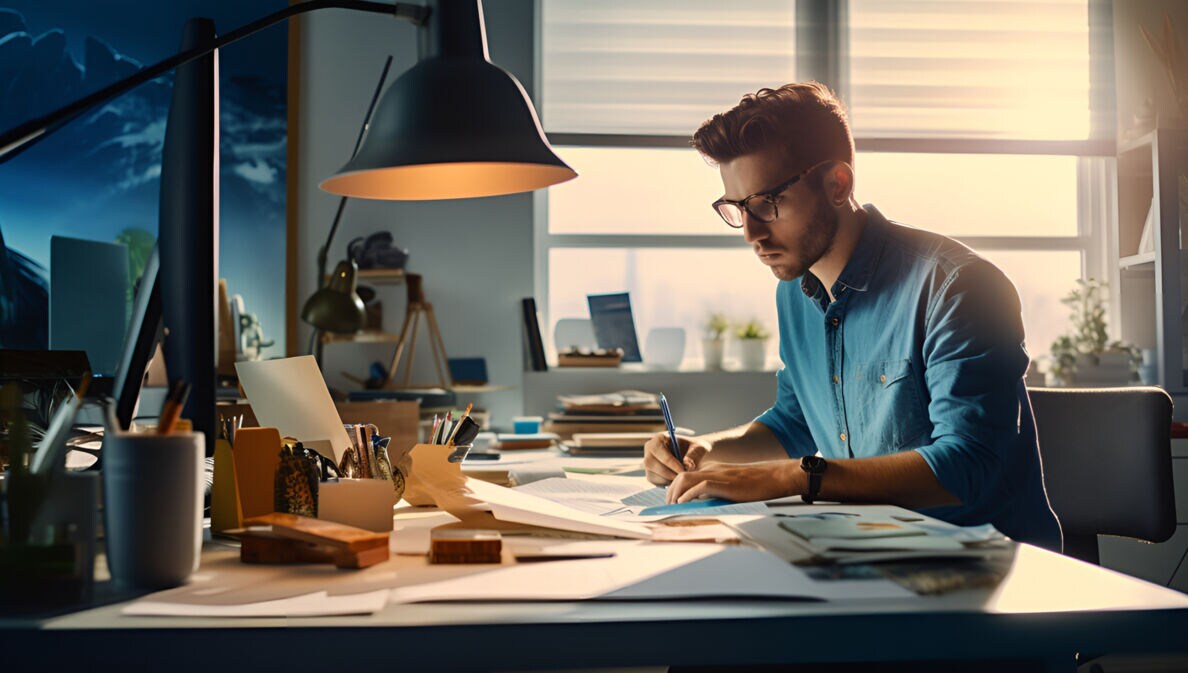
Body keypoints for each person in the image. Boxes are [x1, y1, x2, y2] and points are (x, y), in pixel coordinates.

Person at [643, 82, 1061, 551]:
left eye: (766, 203)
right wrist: (709, 451)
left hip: (986, 566)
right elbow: (793, 421)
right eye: (737, 209)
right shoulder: (794, 292)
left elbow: (967, 465)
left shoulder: (958, 287)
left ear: (837, 184)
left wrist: (791, 478)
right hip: (869, 551)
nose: (751, 233)